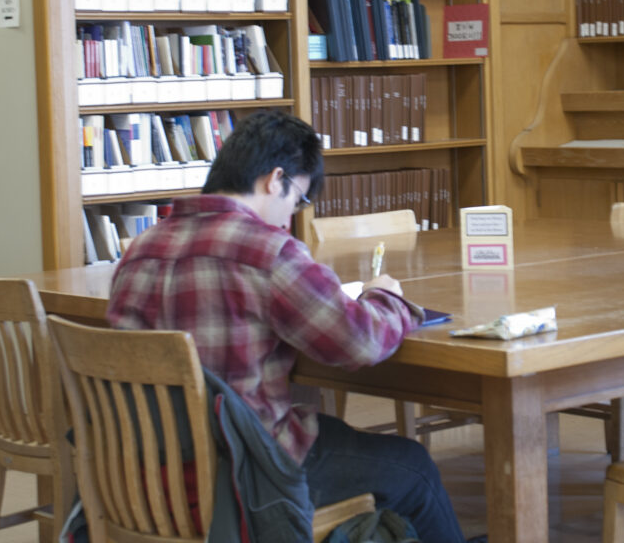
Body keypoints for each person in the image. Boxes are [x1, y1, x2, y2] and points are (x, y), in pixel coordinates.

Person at [107, 110, 468, 542]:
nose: (290, 217)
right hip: (243, 472)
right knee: (415, 468)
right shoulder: (268, 251)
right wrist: (385, 296)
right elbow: (359, 342)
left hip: (141, 469)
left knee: (331, 433)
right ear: (275, 180)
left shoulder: (141, 249)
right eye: (297, 199)